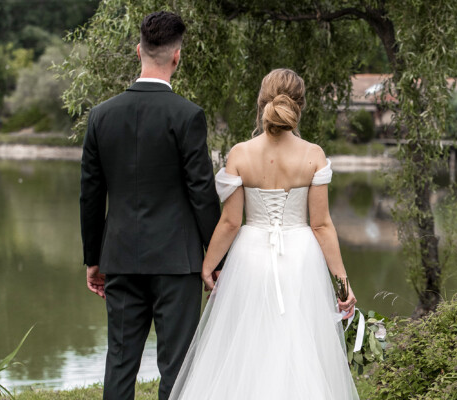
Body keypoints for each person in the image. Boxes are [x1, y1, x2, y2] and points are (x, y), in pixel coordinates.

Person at [170, 68, 360, 399]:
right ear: (300, 105)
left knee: (247, 343)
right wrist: (343, 284)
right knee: (298, 342)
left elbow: (230, 222)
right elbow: (321, 225)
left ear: (261, 102)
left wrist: (208, 266)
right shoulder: (313, 155)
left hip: (250, 256)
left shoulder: (240, 153)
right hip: (301, 259)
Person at [79, 11, 221, 400]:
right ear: (177, 56)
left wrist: (93, 259)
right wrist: (217, 258)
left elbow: (91, 194)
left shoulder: (100, 116)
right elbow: (202, 192)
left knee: (120, 362)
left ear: (138, 50)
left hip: (120, 257)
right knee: (177, 367)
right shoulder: (188, 116)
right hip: (177, 261)